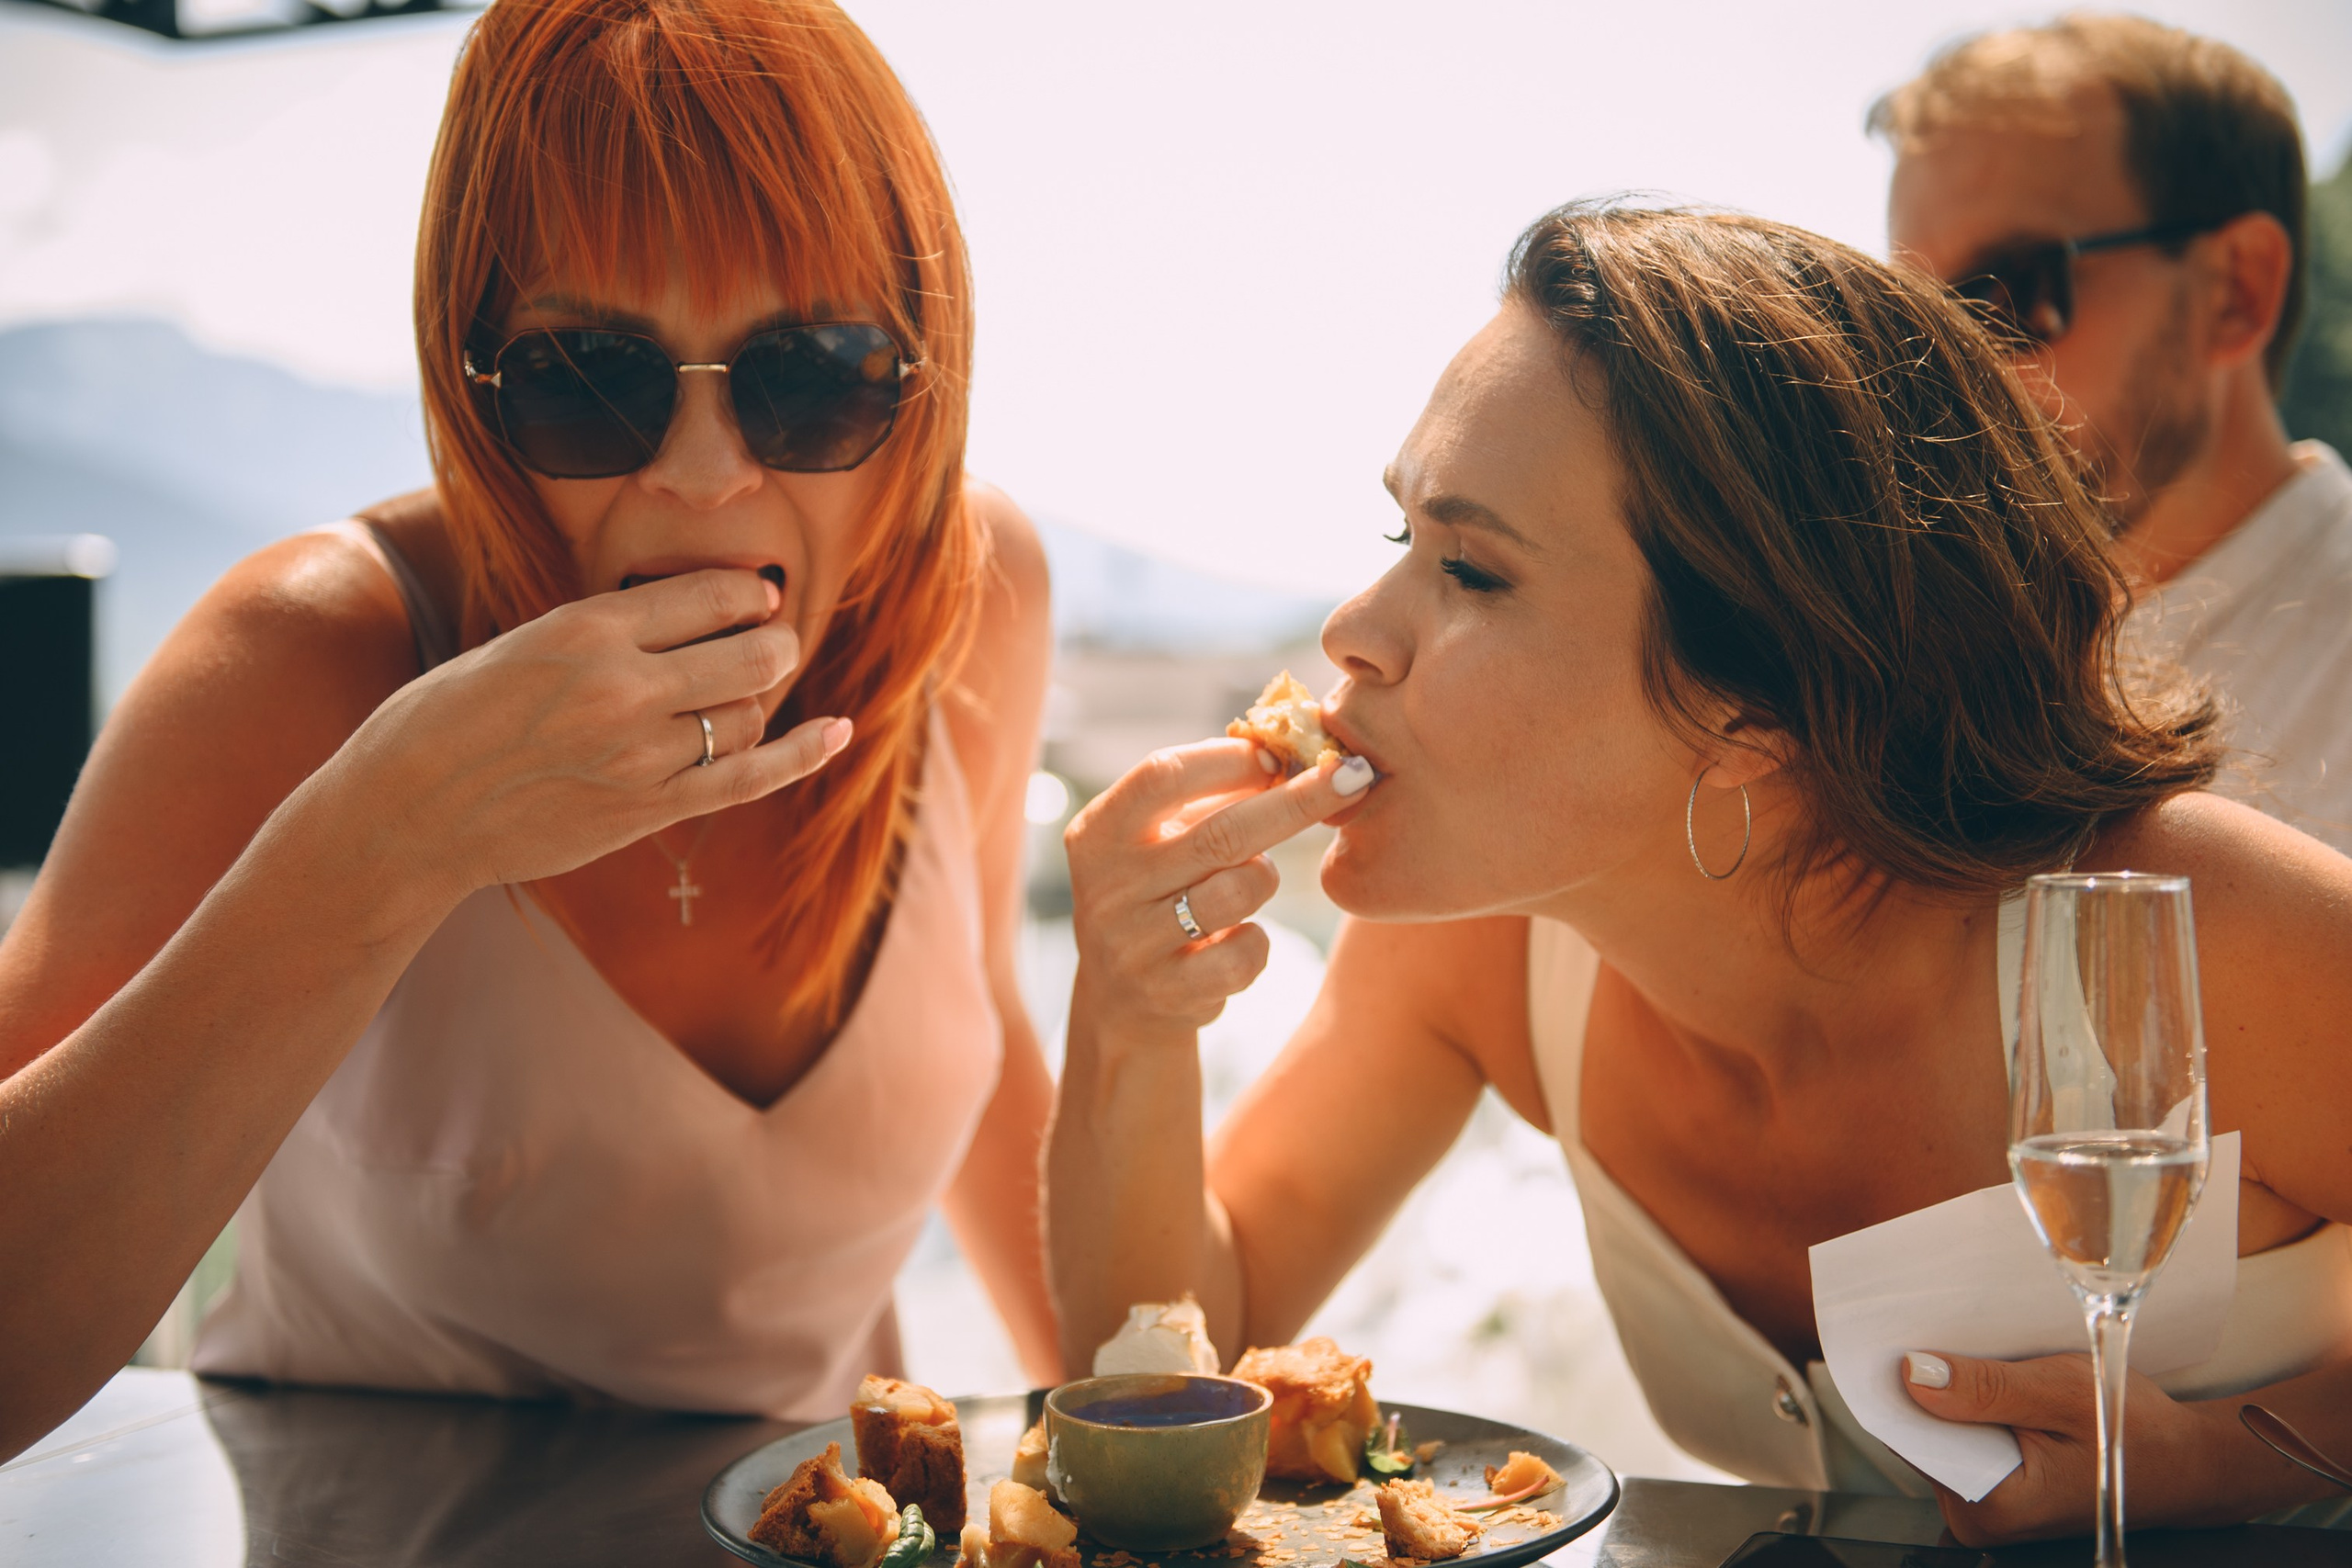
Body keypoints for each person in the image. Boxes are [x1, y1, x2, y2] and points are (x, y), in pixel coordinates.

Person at [1047, 203, 2352, 1541]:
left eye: (1471, 570)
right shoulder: (1488, 943)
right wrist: (1132, 1026)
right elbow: (1179, 1362)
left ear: (1755, 702)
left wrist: (2251, 1459)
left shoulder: (2171, 928)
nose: (1351, 631)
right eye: (1400, 542)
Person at [0, 0, 1058, 1461]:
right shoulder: (308, 656)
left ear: (922, 379)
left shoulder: (969, 599)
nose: (702, 472)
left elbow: (988, 1021)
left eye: (810, 372)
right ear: (472, 380)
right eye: (587, 378)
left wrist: (1158, 1449)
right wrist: (390, 835)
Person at [1874, 14, 2352, 855]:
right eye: (1920, 321)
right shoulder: (1923, 677)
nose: (1964, 375)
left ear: (2236, 289)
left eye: (2015, 289)